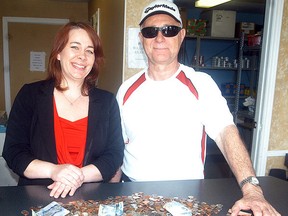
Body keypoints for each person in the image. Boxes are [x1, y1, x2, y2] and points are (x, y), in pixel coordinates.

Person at [115, 1, 280, 215]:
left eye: (169, 30)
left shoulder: (201, 84)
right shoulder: (126, 90)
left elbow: (225, 133)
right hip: (133, 195)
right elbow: (117, 148)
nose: (159, 38)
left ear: (182, 35)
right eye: (150, 31)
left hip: (186, 198)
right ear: (141, 38)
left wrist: (252, 189)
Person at [3, 21, 124, 199]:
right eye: (75, 47)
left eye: (89, 51)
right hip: (38, 198)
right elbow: (14, 151)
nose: (82, 56)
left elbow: (114, 154)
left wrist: (77, 177)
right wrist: (54, 171)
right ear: (59, 53)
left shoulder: (107, 101)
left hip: (90, 200)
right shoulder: (30, 95)